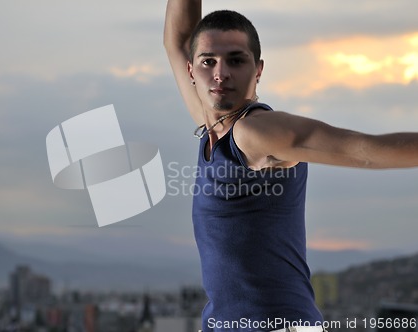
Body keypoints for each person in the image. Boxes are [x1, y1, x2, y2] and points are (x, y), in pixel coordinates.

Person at [163, 1, 418, 332]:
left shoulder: (254, 132)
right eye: (208, 61)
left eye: (236, 60)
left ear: (258, 70)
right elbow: (179, 38)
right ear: (191, 70)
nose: (220, 73)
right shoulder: (212, 125)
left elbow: (361, 150)